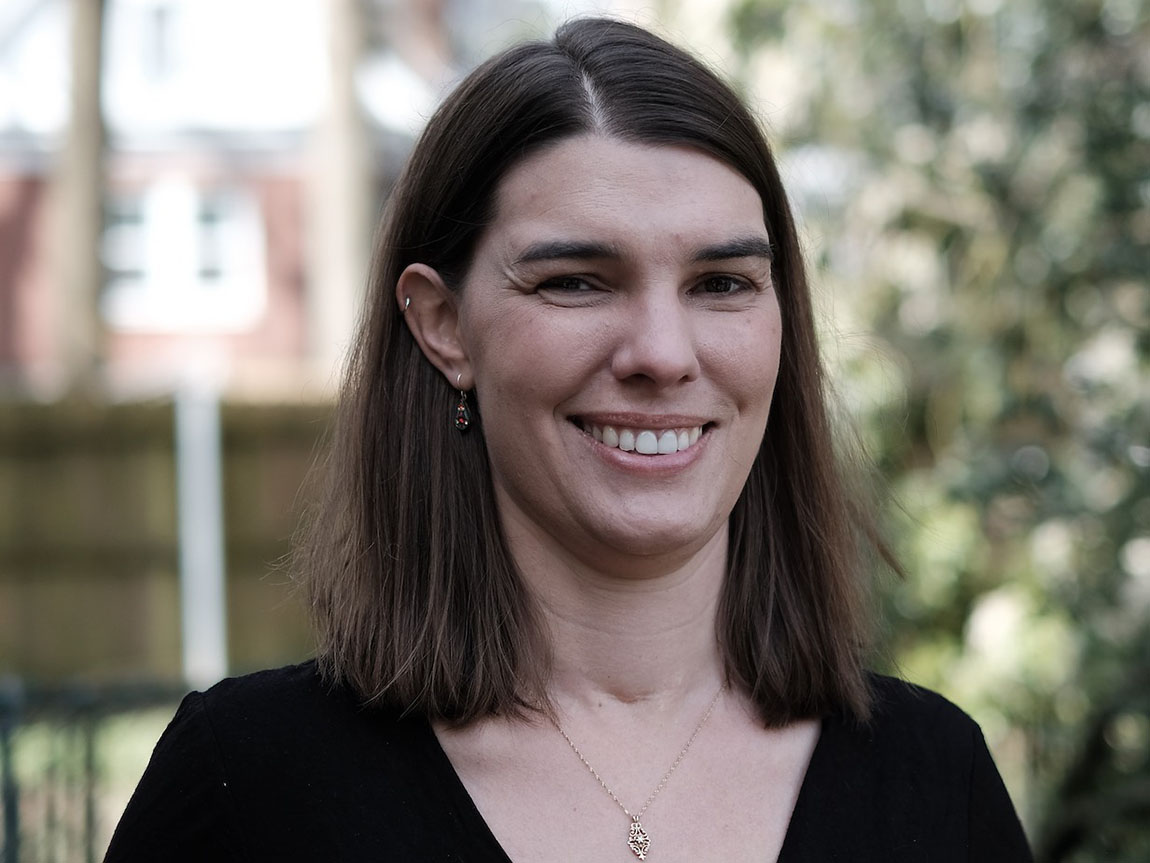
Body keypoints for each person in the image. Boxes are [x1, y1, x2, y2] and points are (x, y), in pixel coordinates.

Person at [105, 17, 1033, 863]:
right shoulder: (247, 786)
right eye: (579, 282)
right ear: (444, 325)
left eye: (721, 284)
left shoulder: (935, 781)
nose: (662, 354)